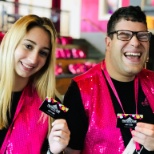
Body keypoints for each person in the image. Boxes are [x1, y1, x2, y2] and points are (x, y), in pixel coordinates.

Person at [63, 5, 154, 154]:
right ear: (108, 42)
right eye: (124, 35)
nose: (136, 43)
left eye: (142, 36)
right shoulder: (81, 89)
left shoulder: (152, 82)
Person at [0, 14, 70, 154]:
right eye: (28, 46)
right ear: (11, 42)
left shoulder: (51, 103)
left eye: (43, 53)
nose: (33, 60)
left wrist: (53, 151)